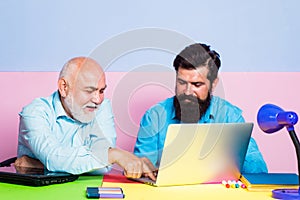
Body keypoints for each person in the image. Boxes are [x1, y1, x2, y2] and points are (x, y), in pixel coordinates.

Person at [134, 43, 268, 174]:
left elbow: (258, 168)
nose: (187, 92)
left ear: (213, 83)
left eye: (196, 84)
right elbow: (141, 168)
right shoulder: (154, 116)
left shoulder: (230, 116)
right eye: (181, 82)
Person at [15, 56, 156, 180]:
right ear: (64, 87)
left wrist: (43, 165)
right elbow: (54, 158)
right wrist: (112, 155)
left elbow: (103, 168)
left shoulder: (102, 107)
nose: (97, 99)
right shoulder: (34, 113)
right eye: (89, 90)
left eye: (101, 91)